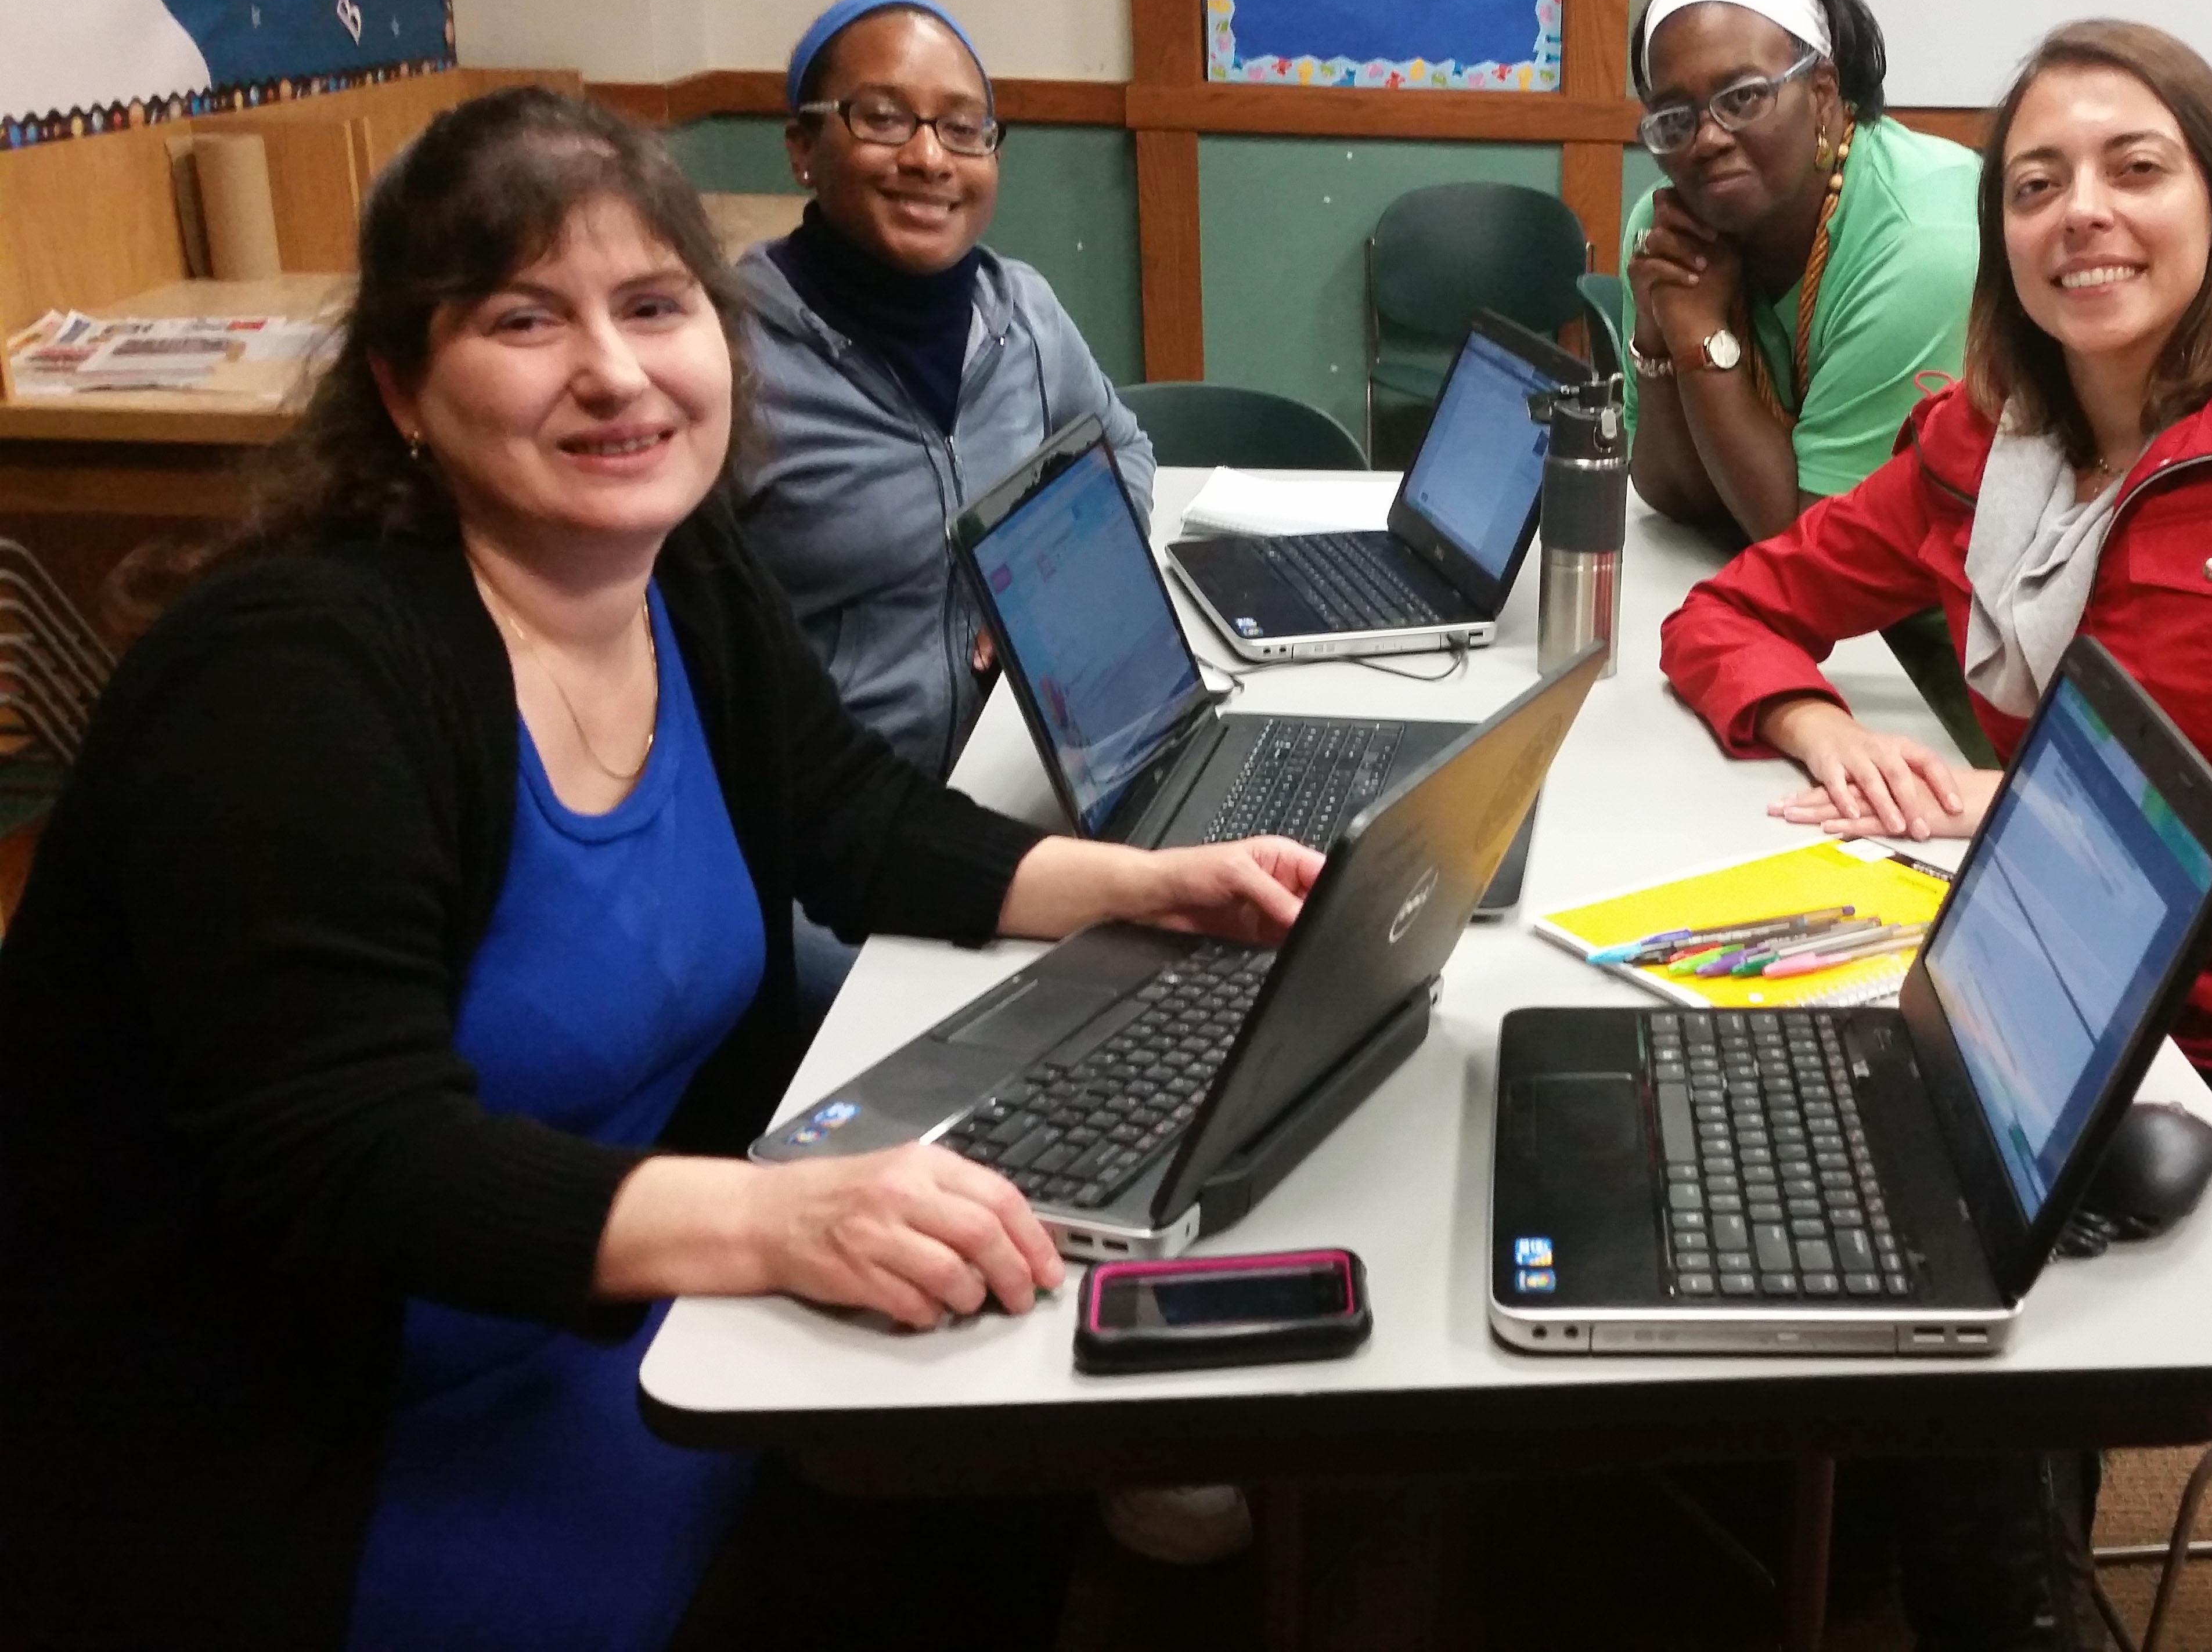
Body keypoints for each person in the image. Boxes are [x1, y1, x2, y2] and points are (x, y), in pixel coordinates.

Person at [0, 87, 1315, 1652]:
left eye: (651, 305)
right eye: (523, 319)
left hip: (592, 1296)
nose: (615, 372)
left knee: (990, 1435)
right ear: (402, 387)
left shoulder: (669, 566)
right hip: (308, 1430)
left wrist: (1140, 883)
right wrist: (776, 1225)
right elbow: (348, 1162)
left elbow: (850, 819)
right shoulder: (293, 683)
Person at [1660, 20, 2212, 1650]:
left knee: (1983, 1271)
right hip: (2072, 1010)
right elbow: (1730, 612)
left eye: (2135, 169)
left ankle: (2017, 1611)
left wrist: (2044, 828)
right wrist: (1815, 717)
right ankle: (1899, 1544)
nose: (2081, 216)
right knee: (1873, 1158)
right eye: (2036, 184)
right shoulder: (1991, 445)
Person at [736, 0, 1158, 1008]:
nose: (929, 157)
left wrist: (1036, 596)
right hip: (828, 850)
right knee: (1084, 992)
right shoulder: (728, 360)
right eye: (883, 117)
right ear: (804, 146)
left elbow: (1127, 456)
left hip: (1022, 771)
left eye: (964, 128)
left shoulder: (1022, 312)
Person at [1621, 0, 1988, 760]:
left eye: (1743, 98)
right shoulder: (1667, 229)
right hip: (1801, 621)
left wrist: (1704, 343)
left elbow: (1801, 535)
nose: (1707, 139)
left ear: (1823, 96)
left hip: (1952, 660)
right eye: (1673, 119)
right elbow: (1672, 492)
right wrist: (1670, 328)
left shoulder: (1922, 240)